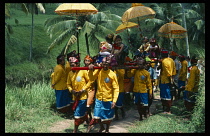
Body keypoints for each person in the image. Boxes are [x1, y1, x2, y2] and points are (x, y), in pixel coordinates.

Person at [87, 56, 119, 133]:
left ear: (109, 65)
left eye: (107, 64)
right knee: (97, 116)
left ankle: (107, 129)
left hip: (108, 99)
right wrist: (91, 70)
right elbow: (91, 79)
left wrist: (114, 101)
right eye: (104, 64)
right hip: (99, 98)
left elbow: (116, 88)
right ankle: (102, 127)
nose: (105, 66)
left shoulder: (112, 75)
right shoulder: (98, 71)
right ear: (101, 64)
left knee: (107, 117)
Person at [67, 55, 90, 133]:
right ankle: (88, 123)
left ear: (77, 65)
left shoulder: (83, 71)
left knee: (77, 113)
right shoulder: (70, 73)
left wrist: (83, 90)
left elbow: (89, 82)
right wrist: (71, 90)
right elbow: (68, 84)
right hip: (75, 96)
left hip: (83, 96)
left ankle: (75, 130)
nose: (72, 67)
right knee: (82, 112)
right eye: (71, 65)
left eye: (73, 65)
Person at [159, 49, 176, 114]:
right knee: (169, 94)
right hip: (170, 79)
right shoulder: (171, 60)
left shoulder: (164, 62)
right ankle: (167, 109)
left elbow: (167, 71)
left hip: (165, 80)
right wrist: (172, 77)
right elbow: (174, 69)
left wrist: (169, 76)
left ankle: (167, 109)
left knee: (165, 95)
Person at [83, 55, 96, 124]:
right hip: (83, 90)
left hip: (91, 89)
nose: (87, 62)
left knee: (88, 105)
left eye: (88, 61)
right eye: (86, 60)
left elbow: (92, 80)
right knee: (84, 105)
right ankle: (88, 118)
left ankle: (90, 118)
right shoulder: (82, 69)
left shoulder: (93, 68)